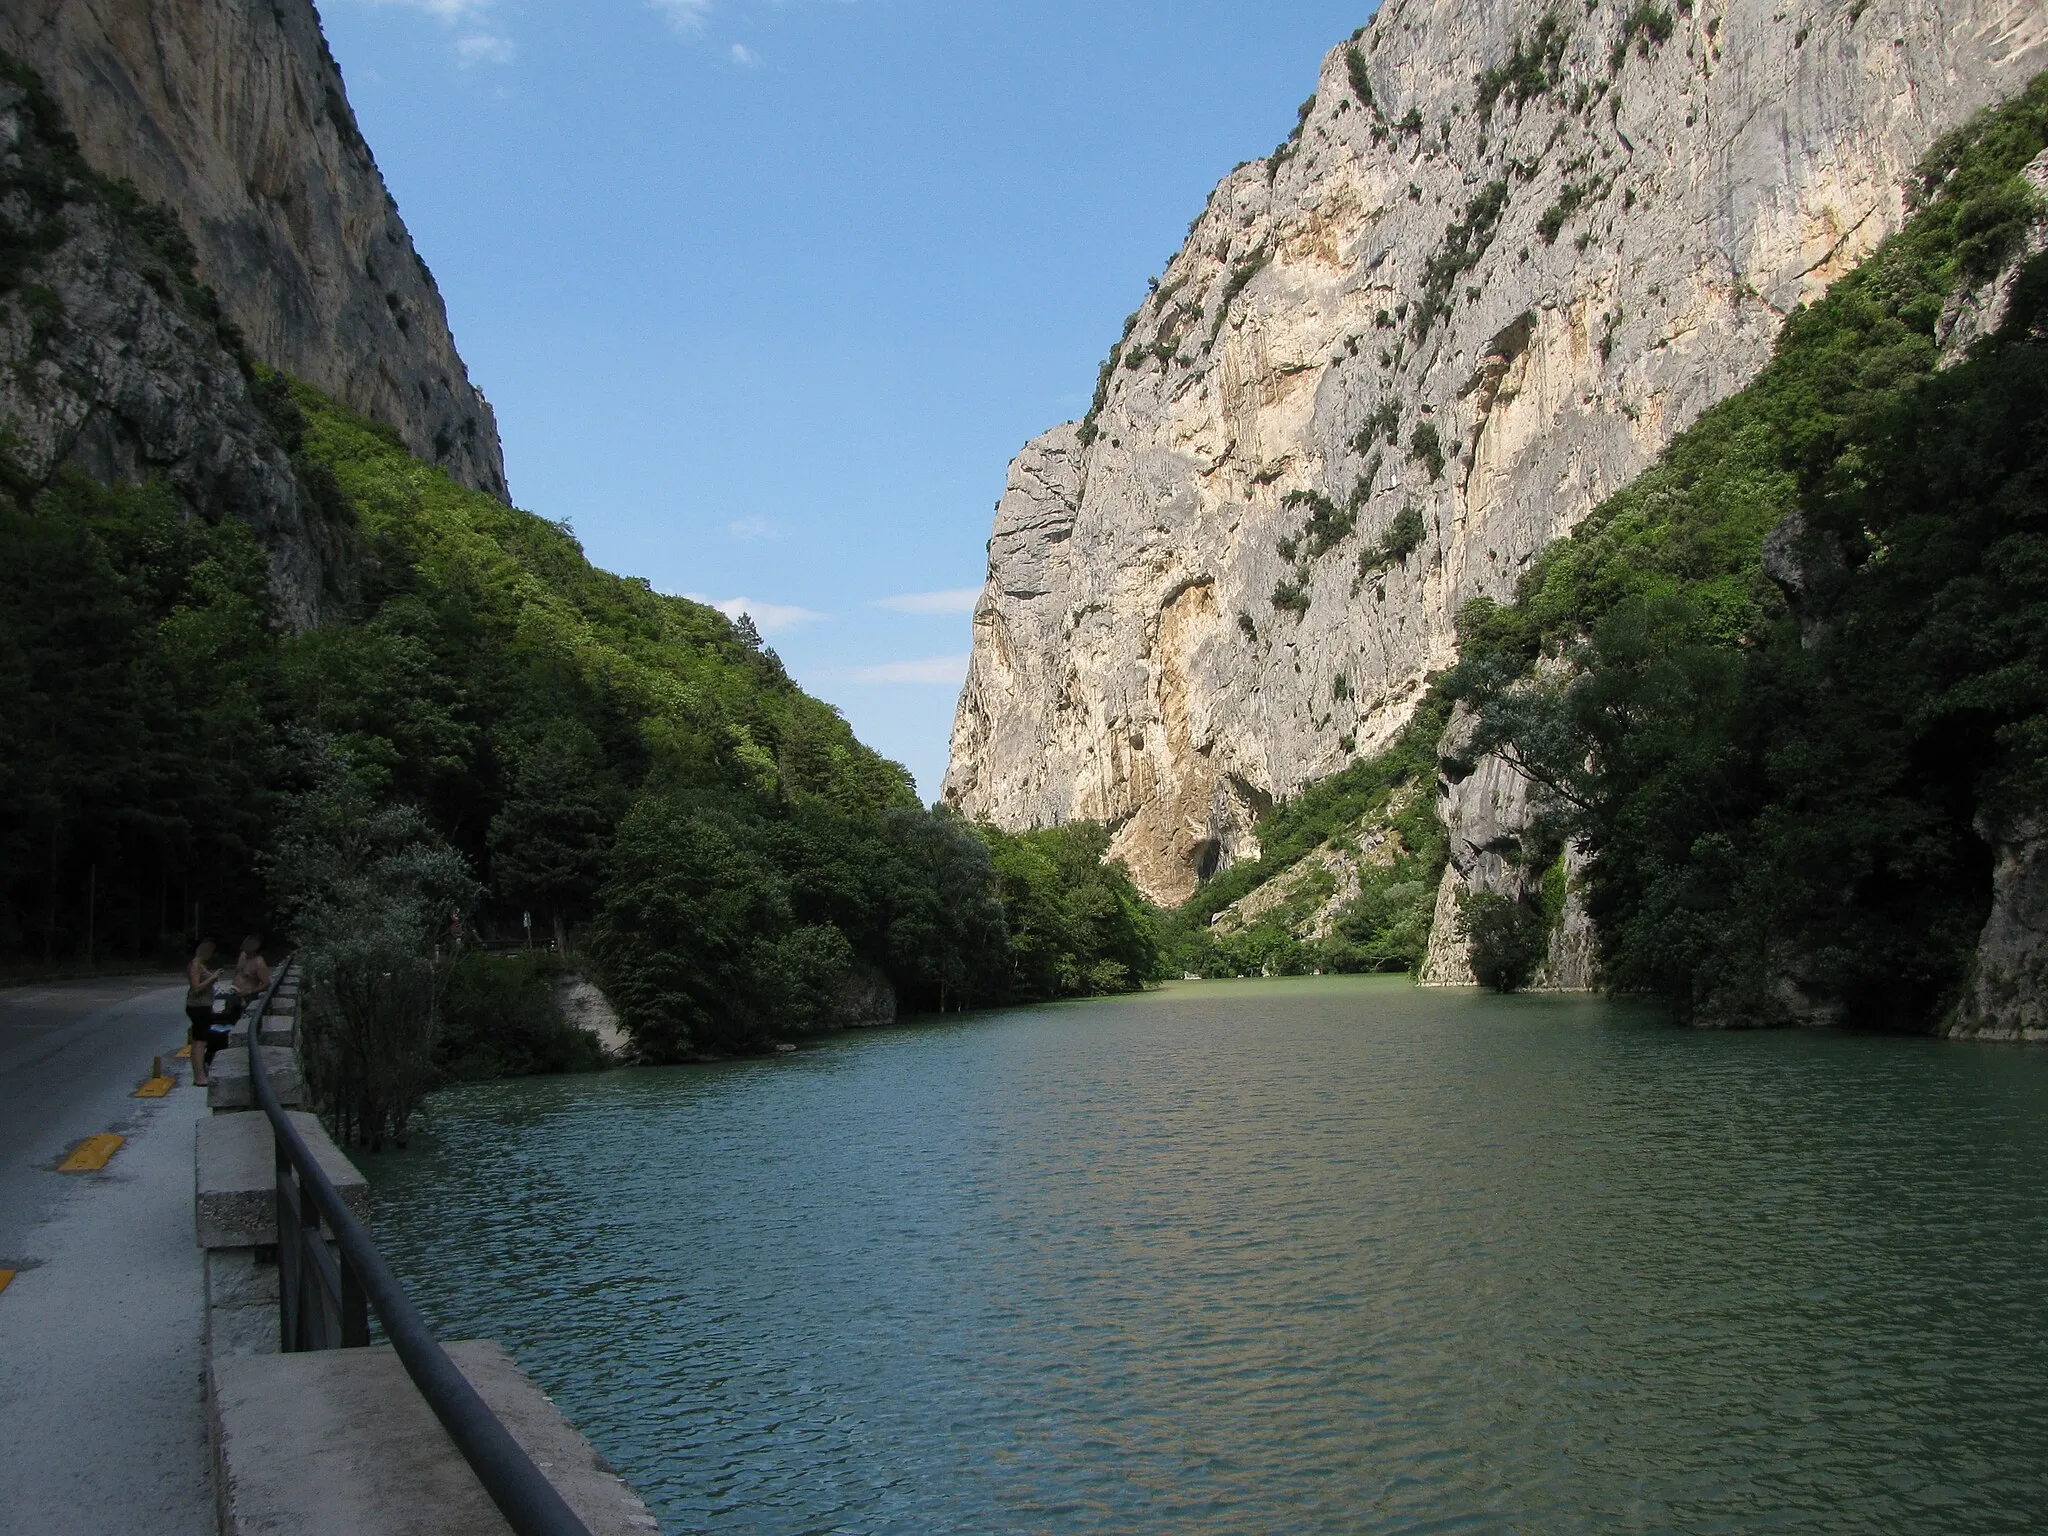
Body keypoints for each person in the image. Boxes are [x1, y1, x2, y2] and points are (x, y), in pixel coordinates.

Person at [185, 940, 222, 1087]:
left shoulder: (201, 965)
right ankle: (199, 1077)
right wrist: (213, 977)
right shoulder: (194, 965)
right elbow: (196, 988)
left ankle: (201, 1073)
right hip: (197, 1006)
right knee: (199, 1041)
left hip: (205, 1005)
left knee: (202, 1040)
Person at [233, 935, 270, 1000]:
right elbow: (237, 973)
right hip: (233, 993)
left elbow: (266, 984)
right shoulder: (242, 955)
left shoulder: (259, 963)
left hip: (247, 997)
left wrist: (248, 992)